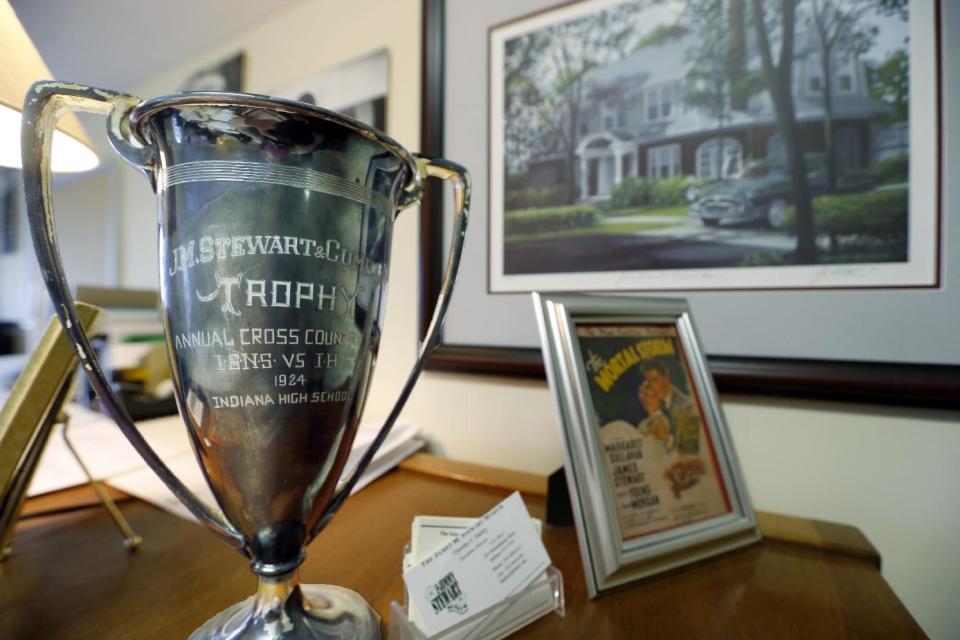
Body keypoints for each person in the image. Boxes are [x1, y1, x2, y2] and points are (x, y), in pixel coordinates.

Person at [640, 359, 701, 455]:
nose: (651, 386)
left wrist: (666, 438)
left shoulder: (688, 406)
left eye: (655, 380)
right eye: (648, 381)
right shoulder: (651, 409)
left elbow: (691, 452)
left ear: (666, 379)